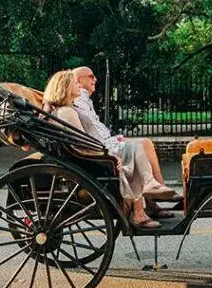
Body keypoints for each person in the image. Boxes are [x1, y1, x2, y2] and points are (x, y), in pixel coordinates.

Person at [42, 70, 170, 229]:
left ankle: (148, 199)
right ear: (66, 87)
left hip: (96, 153)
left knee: (136, 148)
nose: (78, 86)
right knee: (135, 151)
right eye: (75, 83)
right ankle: (139, 212)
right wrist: (109, 156)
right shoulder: (67, 112)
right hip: (94, 159)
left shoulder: (68, 109)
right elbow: (83, 146)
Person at [70, 66, 177, 220]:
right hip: (101, 147)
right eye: (91, 76)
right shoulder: (77, 97)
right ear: (78, 81)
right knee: (139, 146)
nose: (95, 79)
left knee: (146, 142)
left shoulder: (83, 98)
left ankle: (157, 192)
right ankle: (154, 193)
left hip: (105, 141)